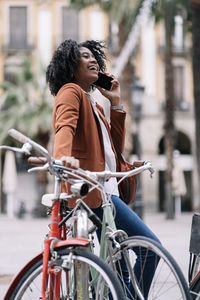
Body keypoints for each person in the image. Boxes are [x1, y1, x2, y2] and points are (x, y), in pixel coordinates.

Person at [46, 39, 161, 299]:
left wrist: (116, 104)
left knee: (117, 272)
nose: (93, 60)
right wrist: (63, 159)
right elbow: (64, 128)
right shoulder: (70, 91)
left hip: (106, 193)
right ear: (70, 65)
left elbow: (114, 151)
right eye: (84, 56)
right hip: (94, 195)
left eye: (94, 56)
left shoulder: (94, 104)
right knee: (149, 248)